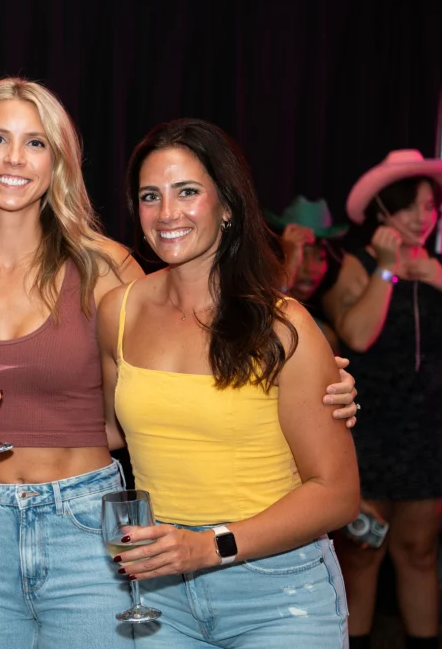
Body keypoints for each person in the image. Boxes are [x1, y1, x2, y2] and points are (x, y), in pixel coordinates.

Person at [0, 79, 359, 649]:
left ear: (58, 162)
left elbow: (187, 366)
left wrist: (327, 385)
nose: (13, 157)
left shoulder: (108, 271)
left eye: (35, 142)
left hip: (93, 525)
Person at [99, 118, 360, 647]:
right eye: (151, 196)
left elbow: (338, 494)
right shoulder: (118, 312)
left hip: (278, 592)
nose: (167, 213)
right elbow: (105, 434)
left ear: (228, 207)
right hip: (160, 594)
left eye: (187, 192)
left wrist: (209, 546)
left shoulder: (284, 326)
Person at [322, 149, 442, 649]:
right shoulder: (356, 265)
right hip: (367, 431)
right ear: (382, 212)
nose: (423, 217)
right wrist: (387, 272)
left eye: (431, 206)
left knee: (418, 551)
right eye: (411, 206)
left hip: (426, 431)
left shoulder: (438, 269)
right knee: (362, 552)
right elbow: (356, 334)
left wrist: (436, 278)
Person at [266, 196, 348, 351]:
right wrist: (288, 267)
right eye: (301, 255)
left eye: (320, 257)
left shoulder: (323, 335)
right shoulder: (252, 310)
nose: (311, 268)